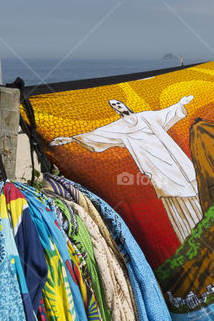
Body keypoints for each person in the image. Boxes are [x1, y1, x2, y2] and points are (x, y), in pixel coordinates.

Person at [50, 95, 202, 243]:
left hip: (176, 159)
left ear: (124, 104)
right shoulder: (118, 127)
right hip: (155, 165)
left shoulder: (146, 116)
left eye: (118, 103)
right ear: (115, 110)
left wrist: (181, 103)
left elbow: (168, 112)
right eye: (114, 105)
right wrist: (71, 139)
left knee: (194, 184)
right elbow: (97, 134)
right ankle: (190, 230)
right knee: (174, 193)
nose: (118, 106)